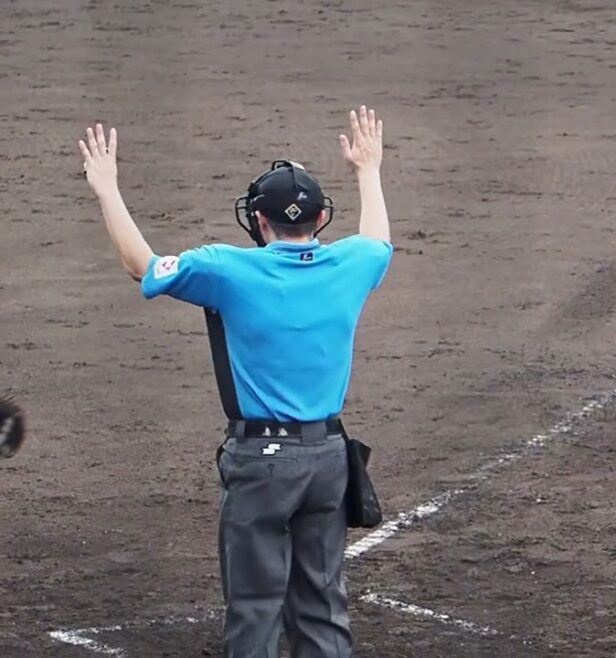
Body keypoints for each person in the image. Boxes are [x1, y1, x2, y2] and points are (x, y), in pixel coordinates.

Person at [78, 106, 393, 658]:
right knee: (323, 609)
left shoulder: (226, 269)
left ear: (260, 221)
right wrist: (368, 170)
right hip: (328, 460)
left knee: (254, 610)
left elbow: (141, 265)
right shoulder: (354, 263)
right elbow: (378, 239)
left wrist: (108, 190)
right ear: (321, 218)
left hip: (261, 465)